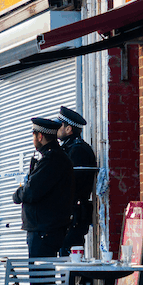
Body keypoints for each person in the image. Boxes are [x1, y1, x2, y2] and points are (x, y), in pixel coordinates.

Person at [12, 117, 74, 285]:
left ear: (40, 136)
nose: (33, 139)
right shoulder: (50, 159)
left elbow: (31, 191)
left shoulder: (52, 160)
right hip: (44, 230)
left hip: (44, 231)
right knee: (44, 282)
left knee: (41, 284)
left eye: (34, 135)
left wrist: (18, 194)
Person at [55, 106, 97, 256]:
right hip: (69, 213)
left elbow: (72, 184)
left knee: (71, 258)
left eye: (59, 126)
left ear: (68, 129)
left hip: (75, 213)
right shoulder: (69, 148)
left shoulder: (78, 150)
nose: (56, 129)